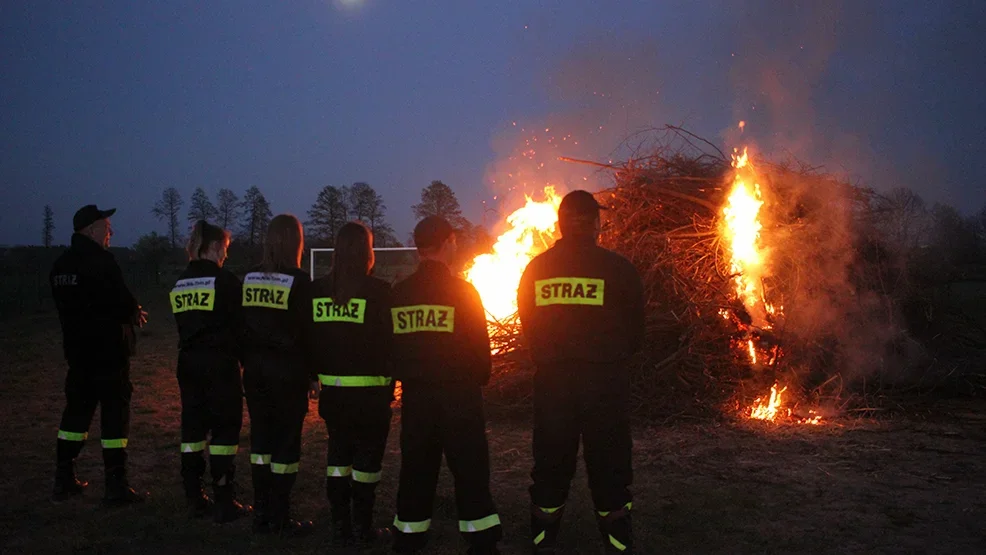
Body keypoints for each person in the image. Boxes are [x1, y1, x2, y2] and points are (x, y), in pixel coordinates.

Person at [517, 190, 645, 554]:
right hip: (605, 385)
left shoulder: (536, 270)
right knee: (610, 462)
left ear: (558, 224)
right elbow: (636, 330)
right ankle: (618, 540)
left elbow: (528, 323)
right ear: (597, 224)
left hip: (553, 385)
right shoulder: (619, 270)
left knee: (550, 460)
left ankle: (543, 538)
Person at [389, 215, 502, 555]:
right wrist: (475, 379)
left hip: (417, 402)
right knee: (470, 472)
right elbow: (482, 356)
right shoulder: (464, 292)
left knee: (415, 471)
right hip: (460, 401)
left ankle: (408, 539)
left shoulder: (400, 294)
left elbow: (392, 350)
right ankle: (482, 542)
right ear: (449, 243)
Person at [49, 204, 148, 505]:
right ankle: (116, 486)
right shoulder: (102, 262)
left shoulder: (60, 267)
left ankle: (64, 478)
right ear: (91, 230)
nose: (111, 232)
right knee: (114, 419)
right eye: (107, 226)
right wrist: (133, 312)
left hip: (78, 355)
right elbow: (120, 301)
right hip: (108, 354)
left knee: (75, 415)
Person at [310, 221, 395, 548]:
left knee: (338, 458)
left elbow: (311, 339)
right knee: (367, 464)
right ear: (366, 253)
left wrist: (313, 375)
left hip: (334, 396)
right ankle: (363, 527)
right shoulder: (380, 293)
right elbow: (390, 343)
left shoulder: (317, 291)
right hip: (372, 398)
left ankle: (340, 526)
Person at [169, 220, 252, 522]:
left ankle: (193, 495)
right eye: (225, 249)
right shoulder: (226, 281)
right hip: (220, 365)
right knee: (225, 432)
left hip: (188, 363)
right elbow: (241, 328)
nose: (226, 256)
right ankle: (224, 497)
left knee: (192, 430)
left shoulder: (179, 281)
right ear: (215, 246)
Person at [240, 214, 317, 536]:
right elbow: (308, 333)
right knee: (286, 445)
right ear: (296, 242)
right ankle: (280, 516)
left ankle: (260, 513)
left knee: (260, 441)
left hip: (255, 373)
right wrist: (313, 374)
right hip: (288, 374)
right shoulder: (299, 281)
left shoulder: (249, 278)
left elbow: (243, 327)